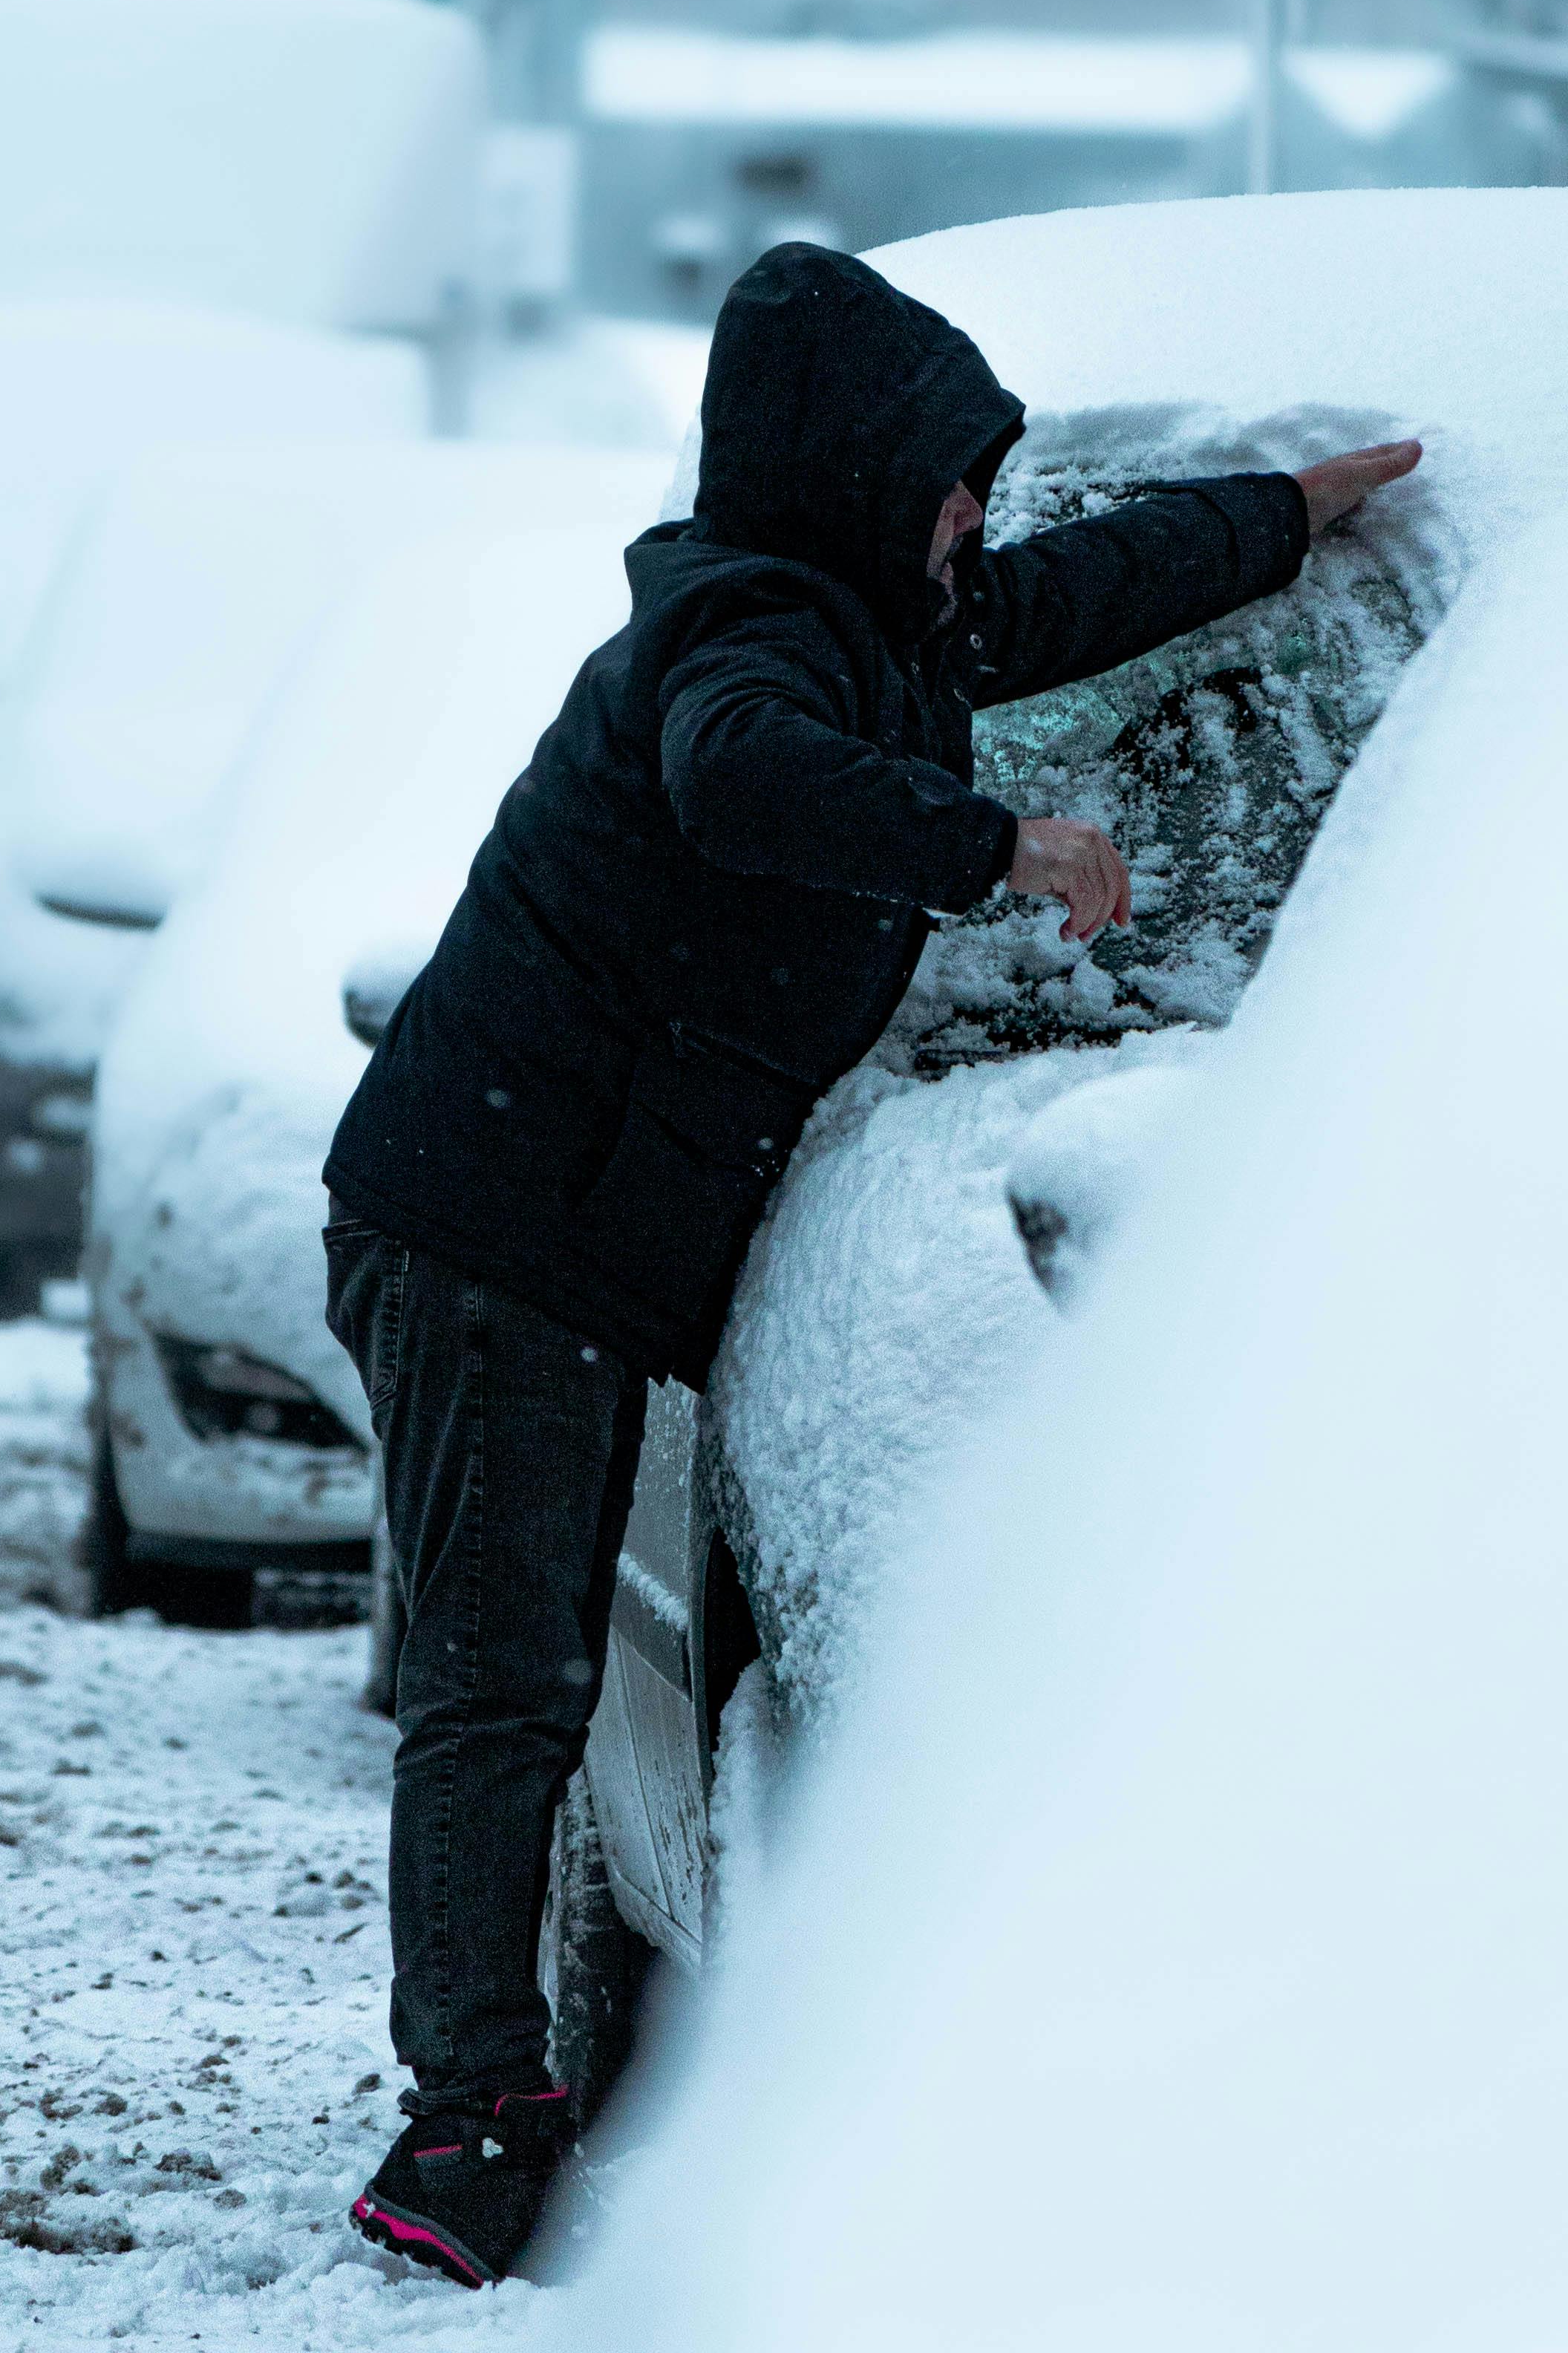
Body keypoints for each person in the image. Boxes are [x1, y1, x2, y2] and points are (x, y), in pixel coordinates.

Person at [322, 241, 1420, 2288]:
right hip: (488, 1234)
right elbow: (741, 779)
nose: (970, 520)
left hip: (556, 1226)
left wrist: (1295, 507)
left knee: (532, 1673)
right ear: (844, 472)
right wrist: (994, 844)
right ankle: (466, 2125)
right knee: (506, 1687)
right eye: (944, 478)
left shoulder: (884, 622)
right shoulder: (739, 640)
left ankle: (488, 2095)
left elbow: (1079, 596)